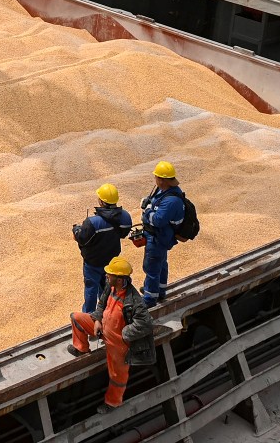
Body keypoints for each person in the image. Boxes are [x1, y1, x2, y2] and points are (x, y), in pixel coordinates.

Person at [67, 255, 155, 412]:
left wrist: (125, 334)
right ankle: (81, 347)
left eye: (110, 274)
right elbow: (101, 304)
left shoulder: (135, 301)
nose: (106, 275)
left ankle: (113, 403)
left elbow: (146, 324)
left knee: (117, 375)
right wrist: (97, 320)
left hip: (118, 343)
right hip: (102, 328)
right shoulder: (111, 286)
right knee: (76, 318)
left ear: (120, 279)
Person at [72, 183, 133, 314]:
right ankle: (107, 312)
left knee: (91, 288)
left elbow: (83, 239)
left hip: (93, 262)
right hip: (111, 261)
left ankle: (88, 315)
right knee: (107, 287)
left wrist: (76, 229)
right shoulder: (125, 217)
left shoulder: (93, 222)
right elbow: (123, 233)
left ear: (101, 201)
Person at [138, 161, 187, 307]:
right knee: (161, 263)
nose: (155, 180)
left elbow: (158, 220)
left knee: (151, 266)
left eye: (156, 177)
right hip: (160, 236)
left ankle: (149, 299)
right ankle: (159, 290)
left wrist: (147, 211)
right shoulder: (165, 191)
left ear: (162, 179)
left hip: (159, 237)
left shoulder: (171, 201)